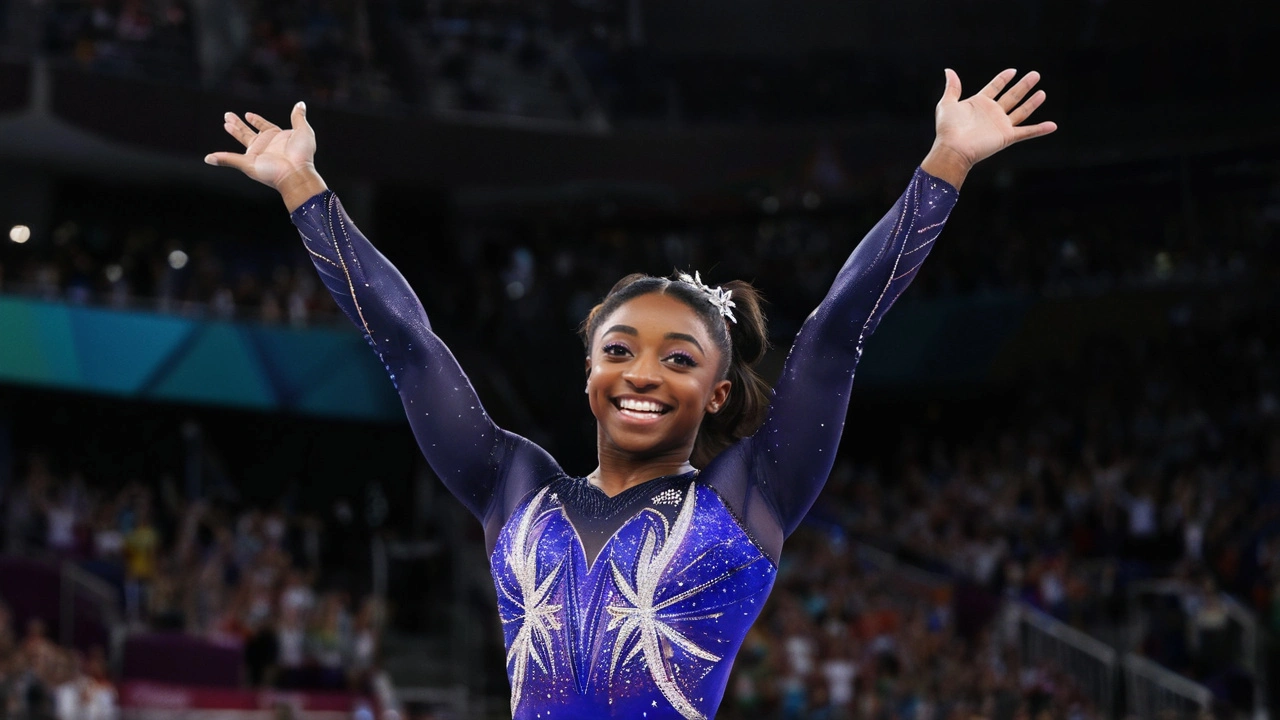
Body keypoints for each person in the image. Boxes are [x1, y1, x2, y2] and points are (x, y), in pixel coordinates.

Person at [205, 67, 1055, 719]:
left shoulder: (749, 494)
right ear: (589, 373)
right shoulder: (516, 487)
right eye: (620, 350)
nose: (644, 374)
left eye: (680, 360)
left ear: (718, 394)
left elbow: (835, 336)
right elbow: (407, 343)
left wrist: (945, 163)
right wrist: (301, 190)